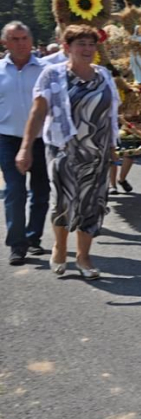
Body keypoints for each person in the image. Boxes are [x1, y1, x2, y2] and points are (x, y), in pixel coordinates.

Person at [16, 24, 120, 280]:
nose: (87, 49)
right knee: (63, 201)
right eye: (80, 44)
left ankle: (84, 257)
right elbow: (38, 113)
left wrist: (114, 146)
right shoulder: (51, 75)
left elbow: (112, 113)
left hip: (97, 151)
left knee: (92, 203)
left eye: (91, 44)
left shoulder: (104, 75)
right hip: (63, 150)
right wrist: (25, 147)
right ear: (67, 47)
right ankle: (60, 247)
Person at [0, 21, 50, 265]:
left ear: (31, 41)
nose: (20, 44)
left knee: (41, 190)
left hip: (43, 140)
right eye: (14, 39)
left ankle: (33, 238)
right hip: (8, 139)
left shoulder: (47, 69)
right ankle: (17, 244)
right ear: (4, 43)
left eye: (24, 38)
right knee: (15, 191)